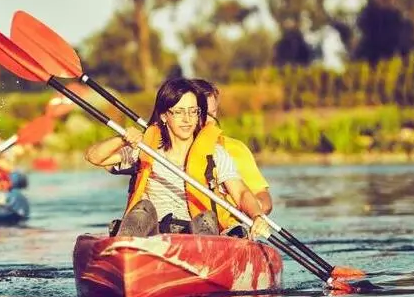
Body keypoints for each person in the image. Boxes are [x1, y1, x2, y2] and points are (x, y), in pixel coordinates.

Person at [84, 78, 270, 240]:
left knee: (206, 218)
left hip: (197, 232)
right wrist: (122, 138)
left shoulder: (216, 154)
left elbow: (241, 193)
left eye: (193, 112)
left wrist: (257, 215)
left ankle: (203, 259)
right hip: (150, 232)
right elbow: (94, 157)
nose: (187, 119)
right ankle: (128, 250)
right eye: (179, 112)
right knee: (141, 211)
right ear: (165, 115)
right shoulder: (145, 150)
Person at [191, 79, 274, 215]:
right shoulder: (170, 149)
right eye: (201, 114)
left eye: (212, 113)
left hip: (228, 223)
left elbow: (263, 197)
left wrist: (253, 208)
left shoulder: (235, 148)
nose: (208, 121)